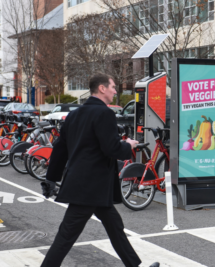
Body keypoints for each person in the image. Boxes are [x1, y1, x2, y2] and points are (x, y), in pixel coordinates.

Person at [40, 73, 159, 267]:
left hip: (90, 187)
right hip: (90, 188)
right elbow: (111, 149)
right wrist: (129, 145)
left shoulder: (74, 114)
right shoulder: (104, 113)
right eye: (112, 87)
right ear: (102, 88)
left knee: (115, 228)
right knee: (66, 236)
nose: (115, 91)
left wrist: (51, 179)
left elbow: (60, 149)